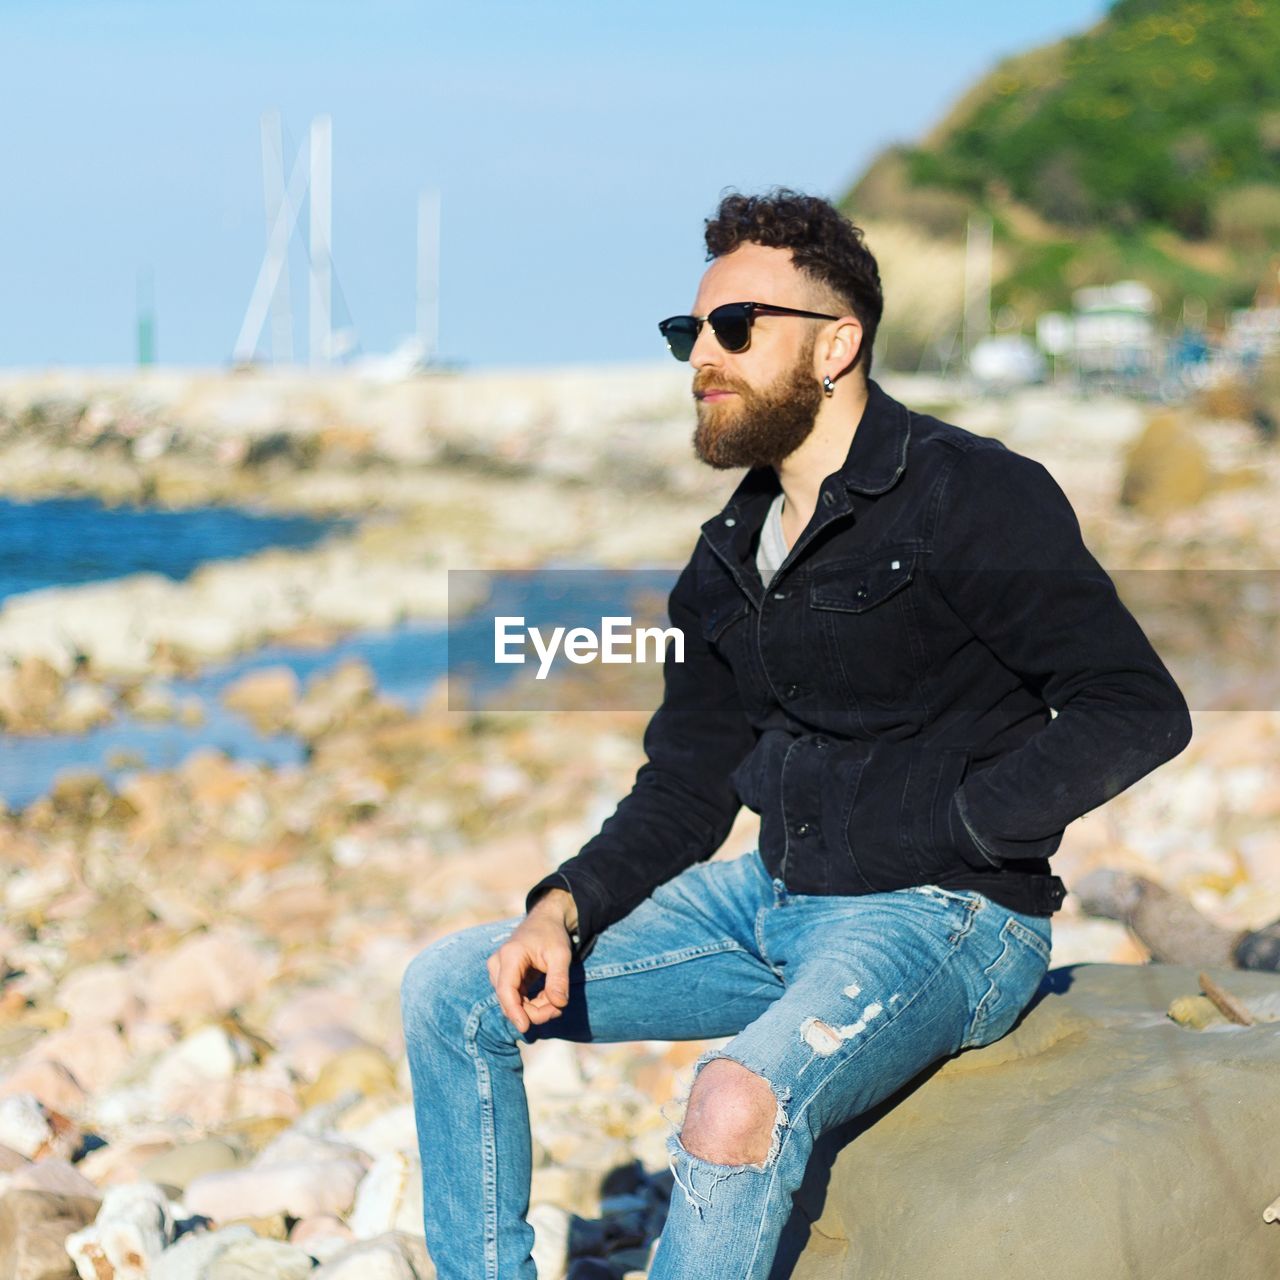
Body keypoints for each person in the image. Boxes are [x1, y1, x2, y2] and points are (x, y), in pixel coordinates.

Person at [400, 189, 1192, 1280]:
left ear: (837, 343)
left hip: (943, 916)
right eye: (688, 333)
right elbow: (685, 780)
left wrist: (961, 820)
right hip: (769, 900)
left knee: (730, 1101)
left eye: (735, 328)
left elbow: (1132, 704)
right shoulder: (727, 548)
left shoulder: (973, 495)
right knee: (452, 988)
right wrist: (559, 906)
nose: (700, 359)